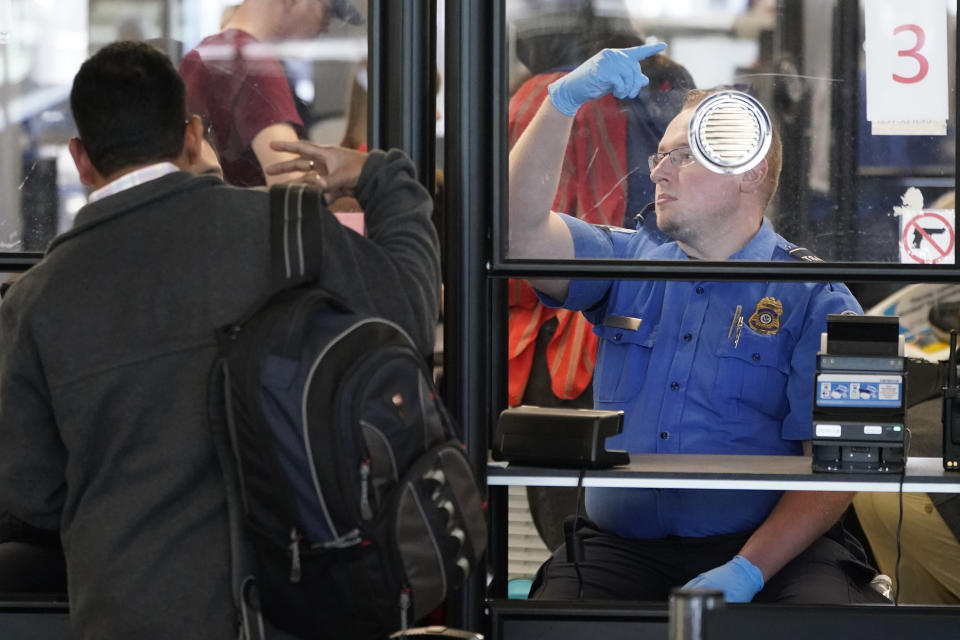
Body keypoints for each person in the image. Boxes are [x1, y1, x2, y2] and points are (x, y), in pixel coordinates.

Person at [0, 40, 440, 639]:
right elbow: (409, 322)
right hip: (300, 604)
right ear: (192, 135)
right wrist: (382, 176)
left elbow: (31, 486)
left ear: (80, 158)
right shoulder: (290, 231)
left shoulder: (34, 302)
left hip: (128, 613)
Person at [509, 44, 885, 604]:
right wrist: (561, 103)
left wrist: (750, 570)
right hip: (619, 548)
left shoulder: (821, 301)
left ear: (749, 170)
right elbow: (516, 234)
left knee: (821, 621)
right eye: (660, 155)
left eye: (684, 154)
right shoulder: (622, 261)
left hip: (767, 551)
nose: (658, 170)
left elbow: (850, 462)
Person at [506, 1, 694, 551]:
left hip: (565, 311)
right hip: (646, 301)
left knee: (573, 522)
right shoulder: (660, 90)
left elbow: (515, 239)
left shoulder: (532, 98)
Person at [178, 0, 363, 186]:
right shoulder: (253, 62)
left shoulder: (200, 56)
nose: (325, 29)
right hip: (246, 214)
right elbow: (294, 188)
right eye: (326, 13)